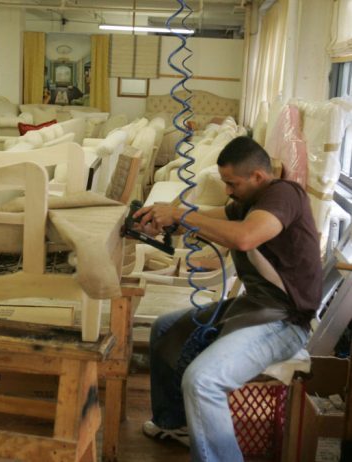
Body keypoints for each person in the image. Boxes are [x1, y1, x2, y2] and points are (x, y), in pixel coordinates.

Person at [133, 136, 322, 462]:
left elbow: (245, 237)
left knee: (202, 381)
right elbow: (213, 217)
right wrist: (168, 219)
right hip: (256, 306)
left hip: (286, 320)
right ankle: (175, 424)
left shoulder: (284, 195)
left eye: (232, 183)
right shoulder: (250, 201)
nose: (227, 190)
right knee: (165, 328)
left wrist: (181, 215)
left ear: (258, 176)